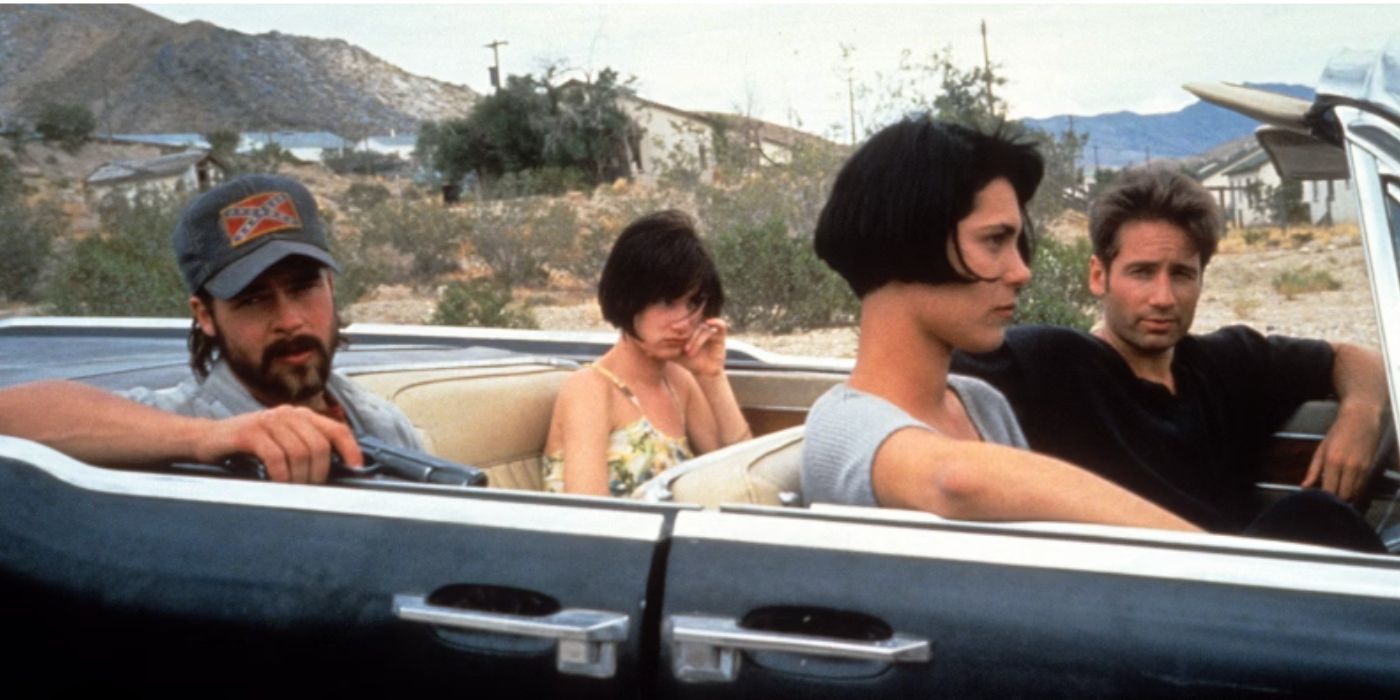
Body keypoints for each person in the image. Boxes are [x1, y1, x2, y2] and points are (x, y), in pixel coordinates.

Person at [951, 165, 1388, 548]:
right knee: (1315, 516)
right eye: (1141, 273)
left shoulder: (1229, 363)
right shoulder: (1054, 363)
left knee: (1317, 517)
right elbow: (926, 378)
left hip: (1247, 592)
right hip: (1137, 599)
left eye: (1181, 274)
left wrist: (1361, 414)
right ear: (1099, 276)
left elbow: (1355, 358)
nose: (1163, 298)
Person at [801, 115, 1199, 532]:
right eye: (994, 241)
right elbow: (955, 481)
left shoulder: (980, 402)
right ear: (908, 241)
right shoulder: (841, 425)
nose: (1021, 271)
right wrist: (1213, 555)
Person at [0, 174, 422, 483]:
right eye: (253, 299)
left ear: (331, 286)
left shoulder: (379, 421)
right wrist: (208, 439)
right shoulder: (176, 424)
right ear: (205, 316)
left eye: (304, 287)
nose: (290, 320)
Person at [542, 210, 751, 497]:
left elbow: (743, 479)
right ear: (628, 299)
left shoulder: (680, 383)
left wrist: (712, 376)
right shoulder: (590, 389)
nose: (683, 322)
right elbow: (589, 518)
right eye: (666, 302)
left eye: (693, 303)